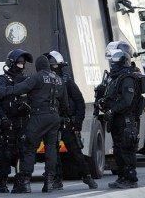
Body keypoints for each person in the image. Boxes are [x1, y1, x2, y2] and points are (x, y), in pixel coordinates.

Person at [0, 55, 69, 193]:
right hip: (55, 117)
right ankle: (49, 182)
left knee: (28, 147)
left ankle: (24, 182)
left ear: (38, 66)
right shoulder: (59, 79)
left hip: (39, 116)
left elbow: (18, 89)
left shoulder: (37, 77)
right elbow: (65, 104)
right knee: (51, 148)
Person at [44, 51, 97, 191]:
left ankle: (87, 177)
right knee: (52, 152)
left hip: (67, 122)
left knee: (75, 151)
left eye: (53, 66)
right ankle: (56, 179)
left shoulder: (67, 81)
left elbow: (80, 102)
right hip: (52, 122)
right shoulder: (45, 81)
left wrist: (77, 122)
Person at [99, 42, 145, 189]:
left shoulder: (127, 78)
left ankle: (131, 179)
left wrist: (112, 110)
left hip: (126, 121)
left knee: (126, 151)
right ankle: (122, 178)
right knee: (118, 150)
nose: (112, 65)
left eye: (114, 62)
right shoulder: (116, 78)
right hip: (118, 121)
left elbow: (126, 101)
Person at [0, 49, 33, 193]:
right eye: (19, 63)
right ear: (11, 63)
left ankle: (19, 181)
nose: (22, 66)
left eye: (23, 63)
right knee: (6, 152)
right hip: (8, 121)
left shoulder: (27, 79)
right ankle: (3, 182)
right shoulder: (2, 80)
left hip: (23, 120)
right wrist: (2, 117)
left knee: (22, 152)